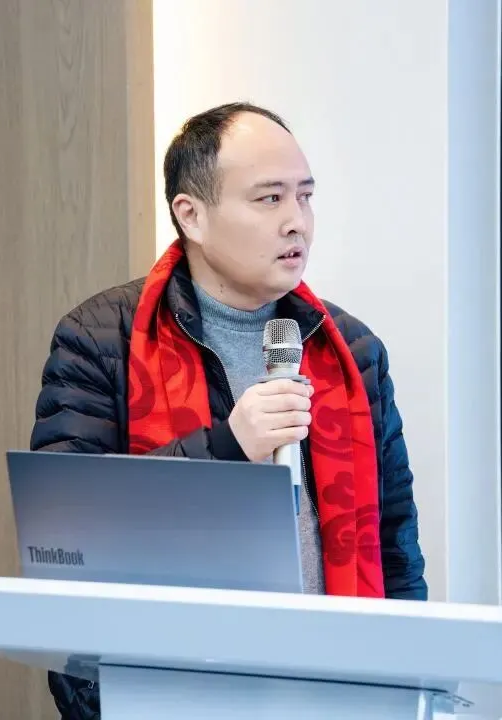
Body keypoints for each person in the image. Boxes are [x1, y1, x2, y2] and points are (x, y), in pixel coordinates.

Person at [30, 101, 427, 719]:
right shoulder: (102, 338)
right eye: (270, 199)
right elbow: (66, 535)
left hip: (333, 695)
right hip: (164, 698)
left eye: (305, 197)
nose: (297, 222)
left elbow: (396, 548)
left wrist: (406, 693)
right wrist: (226, 448)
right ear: (191, 214)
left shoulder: (352, 352)